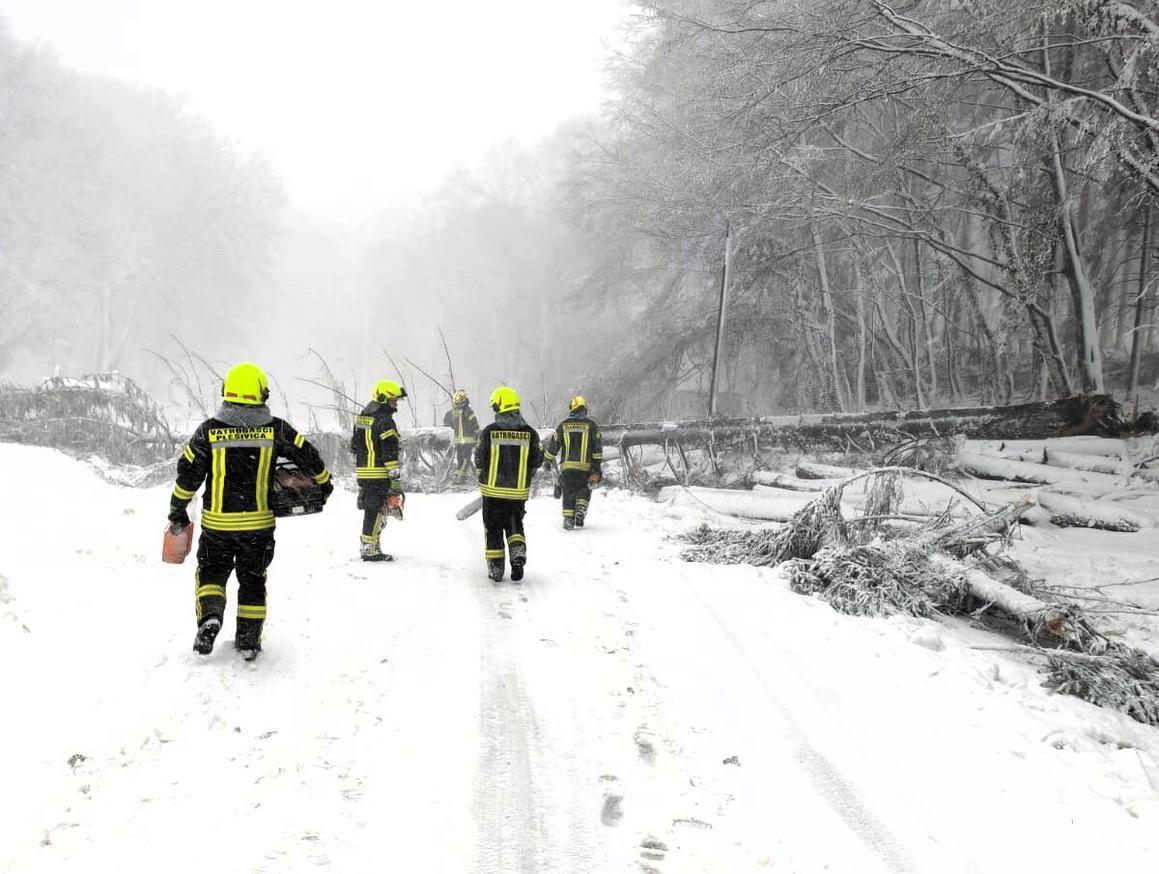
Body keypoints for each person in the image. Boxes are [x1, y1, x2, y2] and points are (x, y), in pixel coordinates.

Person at [168, 361, 334, 659]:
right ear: (262, 394)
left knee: (212, 573)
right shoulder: (276, 429)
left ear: (226, 392)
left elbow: (188, 477)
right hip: (258, 527)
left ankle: (210, 617)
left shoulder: (208, 432)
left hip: (217, 526)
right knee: (253, 579)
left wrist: (177, 510)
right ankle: (248, 641)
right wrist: (324, 484)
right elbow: (309, 457)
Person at [473, 385, 544, 582]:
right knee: (515, 524)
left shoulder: (488, 432)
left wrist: (482, 475)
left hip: (492, 492)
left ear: (499, 407)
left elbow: (478, 459)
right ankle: (517, 555)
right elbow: (538, 460)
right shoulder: (530, 433)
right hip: (517, 493)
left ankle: (496, 568)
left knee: (493, 528)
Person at [351, 379, 407, 562]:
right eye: (393, 400)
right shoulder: (385, 421)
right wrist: (396, 480)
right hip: (379, 474)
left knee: (371, 510)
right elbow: (389, 454)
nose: (396, 403)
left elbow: (354, 446)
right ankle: (370, 549)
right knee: (376, 511)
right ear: (383, 399)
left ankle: (370, 545)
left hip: (364, 473)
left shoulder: (361, 418)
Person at [544, 395, 603, 530]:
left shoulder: (563, 426)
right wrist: (596, 469)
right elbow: (597, 449)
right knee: (585, 488)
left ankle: (568, 519)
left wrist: (547, 460)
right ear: (584, 409)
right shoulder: (592, 426)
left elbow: (554, 445)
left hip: (568, 468)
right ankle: (581, 508)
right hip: (586, 467)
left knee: (568, 492)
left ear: (572, 409)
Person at [442, 389, 480, 485]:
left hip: (458, 442)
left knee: (460, 460)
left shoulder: (451, 413)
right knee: (465, 460)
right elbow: (474, 424)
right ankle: (459, 478)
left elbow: (447, 426)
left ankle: (459, 477)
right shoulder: (468, 411)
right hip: (468, 441)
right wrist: (478, 435)